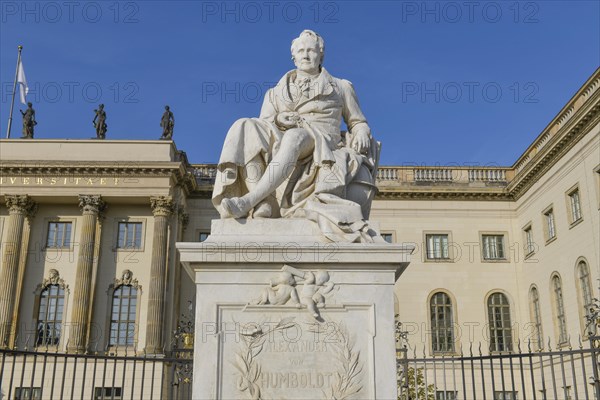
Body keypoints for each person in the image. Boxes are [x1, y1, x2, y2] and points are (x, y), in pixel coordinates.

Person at [212, 30, 380, 242]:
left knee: (295, 137)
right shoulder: (274, 92)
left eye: (311, 50)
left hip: (321, 140)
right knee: (244, 125)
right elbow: (264, 123)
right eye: (301, 51)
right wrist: (280, 119)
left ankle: (249, 200)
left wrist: (362, 131)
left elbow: (358, 121)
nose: (306, 55)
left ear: (321, 55)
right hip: (282, 138)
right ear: (294, 56)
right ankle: (265, 202)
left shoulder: (341, 86)